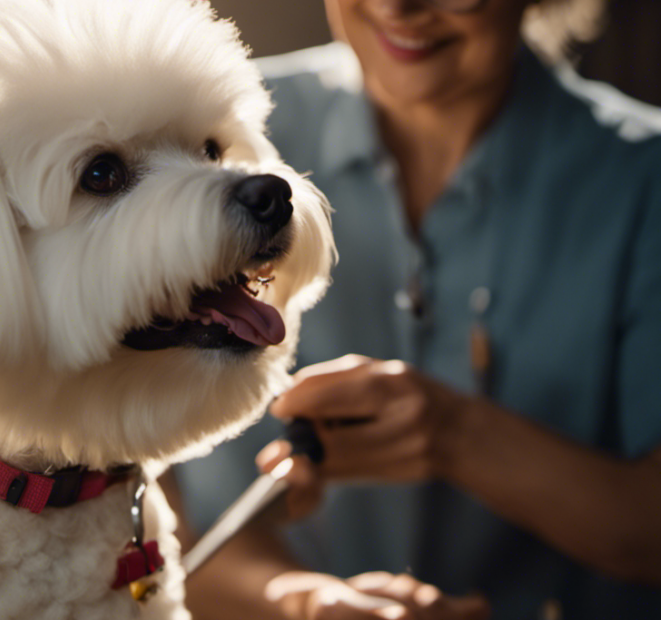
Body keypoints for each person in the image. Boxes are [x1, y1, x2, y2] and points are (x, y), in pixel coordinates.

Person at [170, 0, 661, 618]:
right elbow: (147, 519)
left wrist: (455, 433)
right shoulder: (204, 131)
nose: (397, 7)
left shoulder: (646, 181)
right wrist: (305, 603)